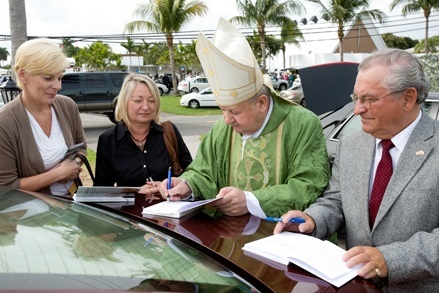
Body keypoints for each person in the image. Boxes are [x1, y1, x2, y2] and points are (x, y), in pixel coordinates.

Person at [274, 48, 438, 292]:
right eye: (356, 98)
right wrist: (313, 219)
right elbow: (337, 199)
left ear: (408, 98)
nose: (358, 109)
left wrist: (390, 260)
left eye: (369, 99)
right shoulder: (352, 144)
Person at [159, 18, 330, 218]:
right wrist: (187, 185)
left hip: (282, 237)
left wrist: (251, 201)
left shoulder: (302, 124)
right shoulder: (222, 129)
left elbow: (308, 185)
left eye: (235, 112)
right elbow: (203, 171)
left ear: (262, 103)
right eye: (222, 110)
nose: (227, 120)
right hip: (229, 237)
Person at [0, 38, 86, 196]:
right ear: (23, 75)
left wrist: (73, 164)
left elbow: (81, 148)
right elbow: (5, 186)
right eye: (48, 78)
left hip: (72, 206)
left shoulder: (68, 106)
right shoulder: (5, 122)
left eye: (59, 78)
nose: (58, 86)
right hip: (31, 216)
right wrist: (58, 174)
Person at [94, 73, 192, 194]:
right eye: (138, 100)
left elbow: (191, 175)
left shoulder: (169, 132)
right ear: (124, 102)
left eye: (151, 100)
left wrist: (168, 184)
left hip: (169, 208)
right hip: (128, 211)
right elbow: (101, 191)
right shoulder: (108, 140)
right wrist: (136, 191)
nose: (145, 107)